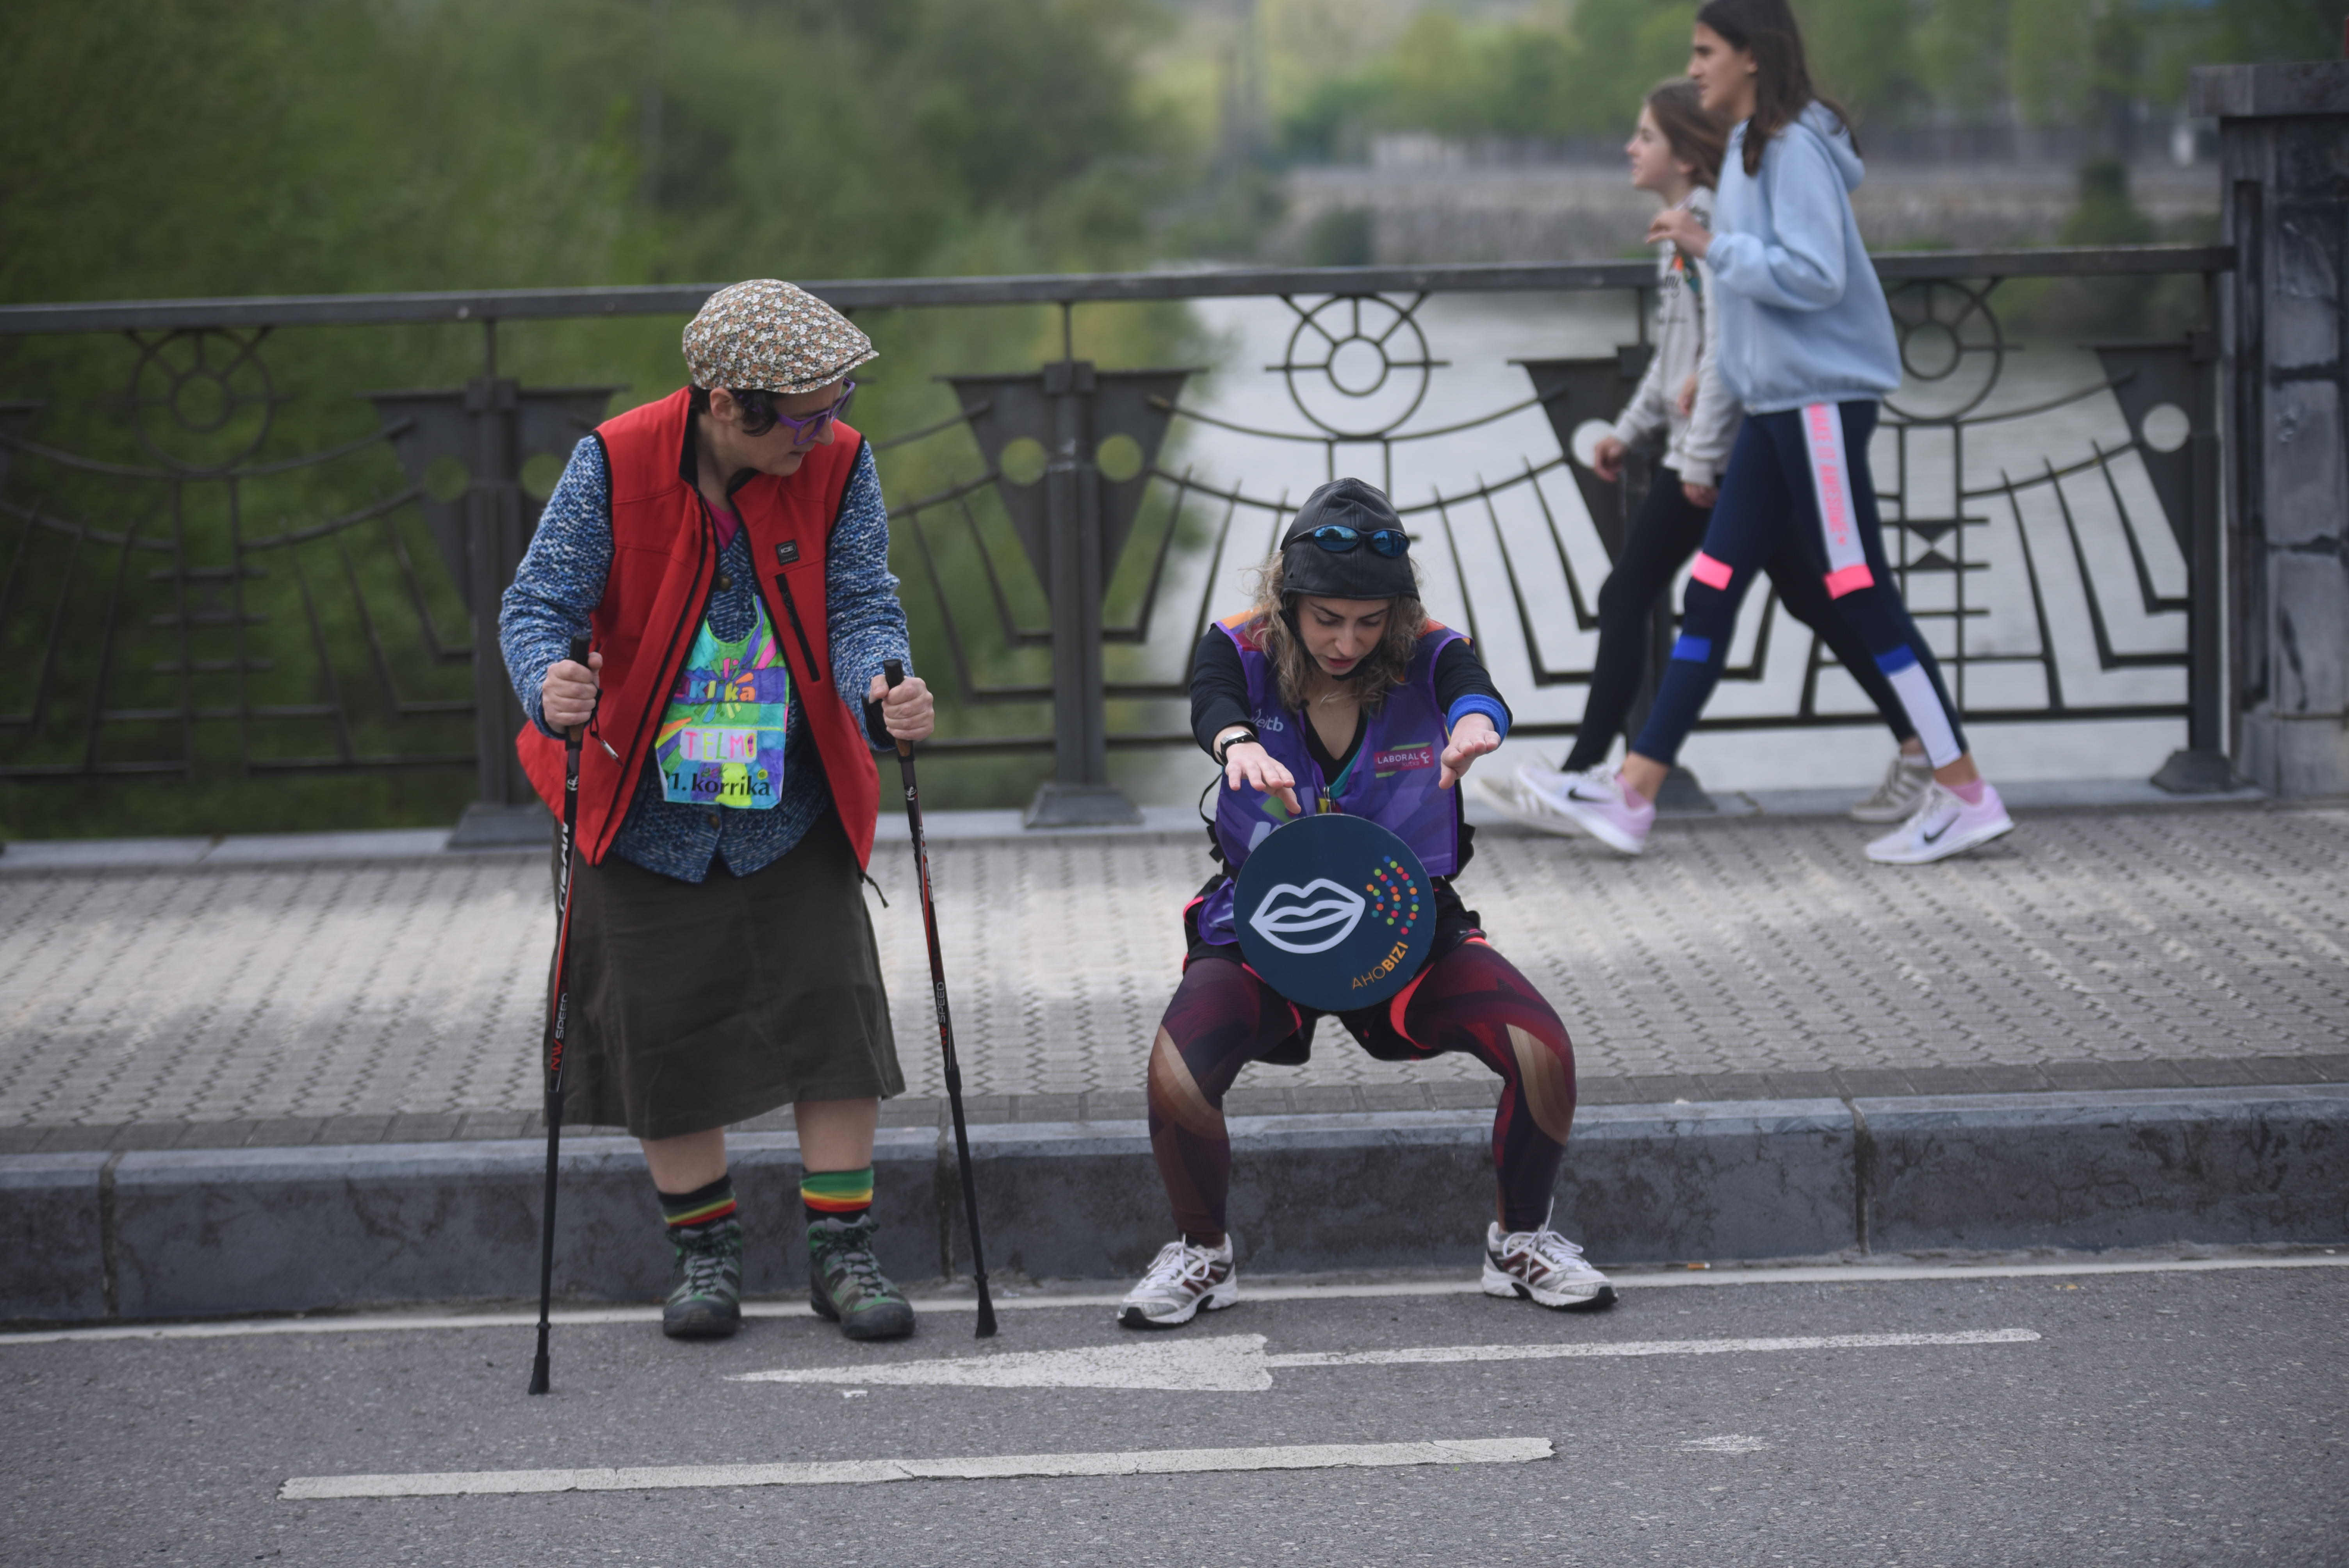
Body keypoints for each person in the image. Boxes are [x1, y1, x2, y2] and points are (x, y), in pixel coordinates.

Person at [499, 279, 934, 1344]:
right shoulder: (613, 462)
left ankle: (842, 1252)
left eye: (834, 409)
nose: (822, 433)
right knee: (661, 1031)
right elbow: (537, 603)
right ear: (727, 404)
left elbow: (862, 602)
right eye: (803, 418)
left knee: (832, 1013)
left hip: (788, 795)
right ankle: (704, 1256)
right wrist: (548, 679)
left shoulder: (842, 463)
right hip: (640, 800)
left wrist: (883, 685)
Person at [1117, 477, 1616, 1330]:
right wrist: (1236, 744)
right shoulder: (1236, 645)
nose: (1347, 641)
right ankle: (1203, 1254)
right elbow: (1213, 702)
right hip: (1267, 924)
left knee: (1543, 1051)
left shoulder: (1427, 647)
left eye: (1368, 621)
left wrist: (1476, 724)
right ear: (1287, 601)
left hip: (1406, 922)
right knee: (1176, 1075)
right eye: (1326, 620)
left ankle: (1521, 1243)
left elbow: (1473, 687)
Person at [1527, 0, 2014, 865]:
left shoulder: (1791, 150)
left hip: (1818, 401)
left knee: (1858, 587)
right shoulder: (1754, 149)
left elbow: (1817, 276)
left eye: (1705, 51)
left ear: (1752, 56)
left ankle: (1967, 793)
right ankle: (1631, 796)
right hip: (1772, 406)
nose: (1695, 68)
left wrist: (1708, 244)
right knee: (1712, 588)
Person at [1481, 78, 1928, 836]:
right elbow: (1679, 356)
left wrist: (1695, 459)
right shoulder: (1687, 227)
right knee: (1813, 598)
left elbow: (1724, 350)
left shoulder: (1712, 225)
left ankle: (1587, 775)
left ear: (1686, 154)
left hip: (1723, 450)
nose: (1629, 148)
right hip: (1730, 444)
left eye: (1645, 137)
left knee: (1634, 594)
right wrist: (1631, 429)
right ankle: (1923, 747)